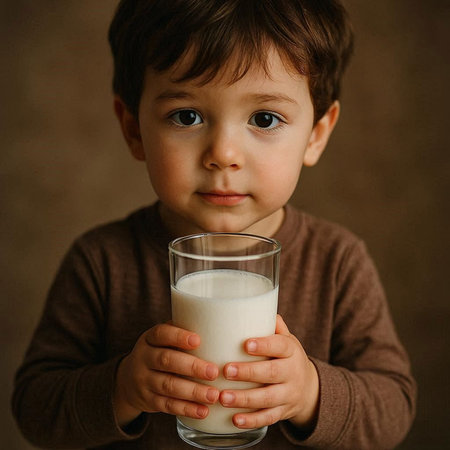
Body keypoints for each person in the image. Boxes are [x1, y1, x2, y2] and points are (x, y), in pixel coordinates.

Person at [11, 1, 416, 449]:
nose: (223, 153)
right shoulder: (101, 261)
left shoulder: (338, 262)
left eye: (264, 119)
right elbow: (35, 409)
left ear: (316, 134)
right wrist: (122, 387)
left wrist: (310, 394)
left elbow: (394, 409)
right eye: (187, 116)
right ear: (133, 129)